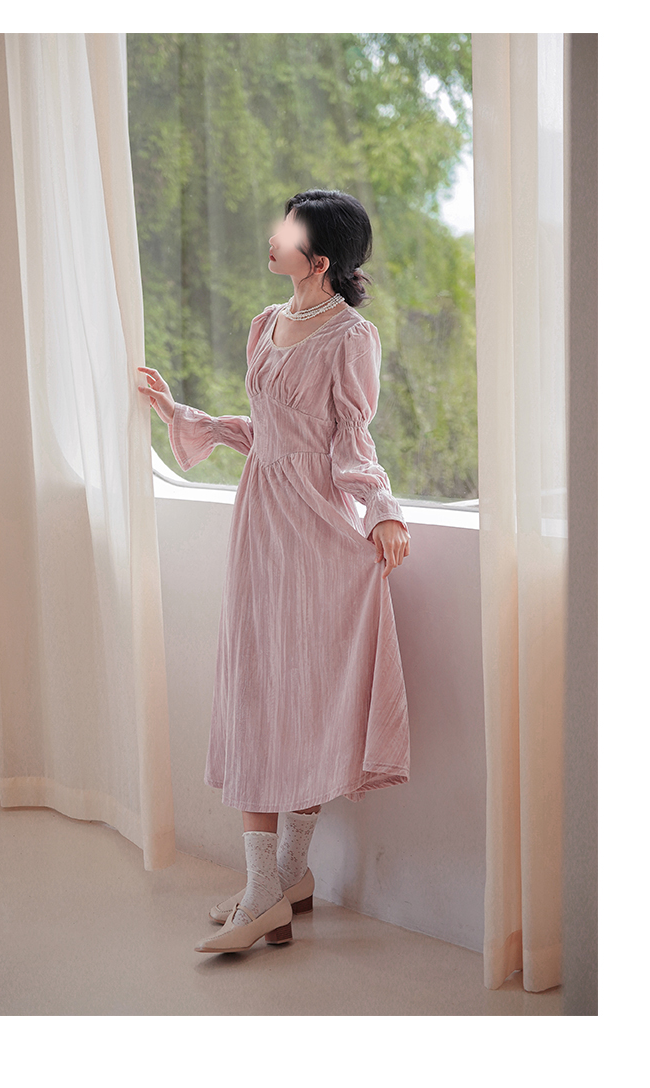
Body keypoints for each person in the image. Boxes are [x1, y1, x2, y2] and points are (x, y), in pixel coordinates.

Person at [138, 189, 412, 954]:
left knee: (303, 698)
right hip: (262, 525)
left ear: (319, 260)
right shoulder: (265, 323)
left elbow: (349, 438)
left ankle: (278, 882)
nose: (272, 237)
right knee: (259, 688)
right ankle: (275, 884)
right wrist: (184, 417)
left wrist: (382, 508)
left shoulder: (352, 336)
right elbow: (272, 431)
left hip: (317, 530)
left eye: (287, 233)